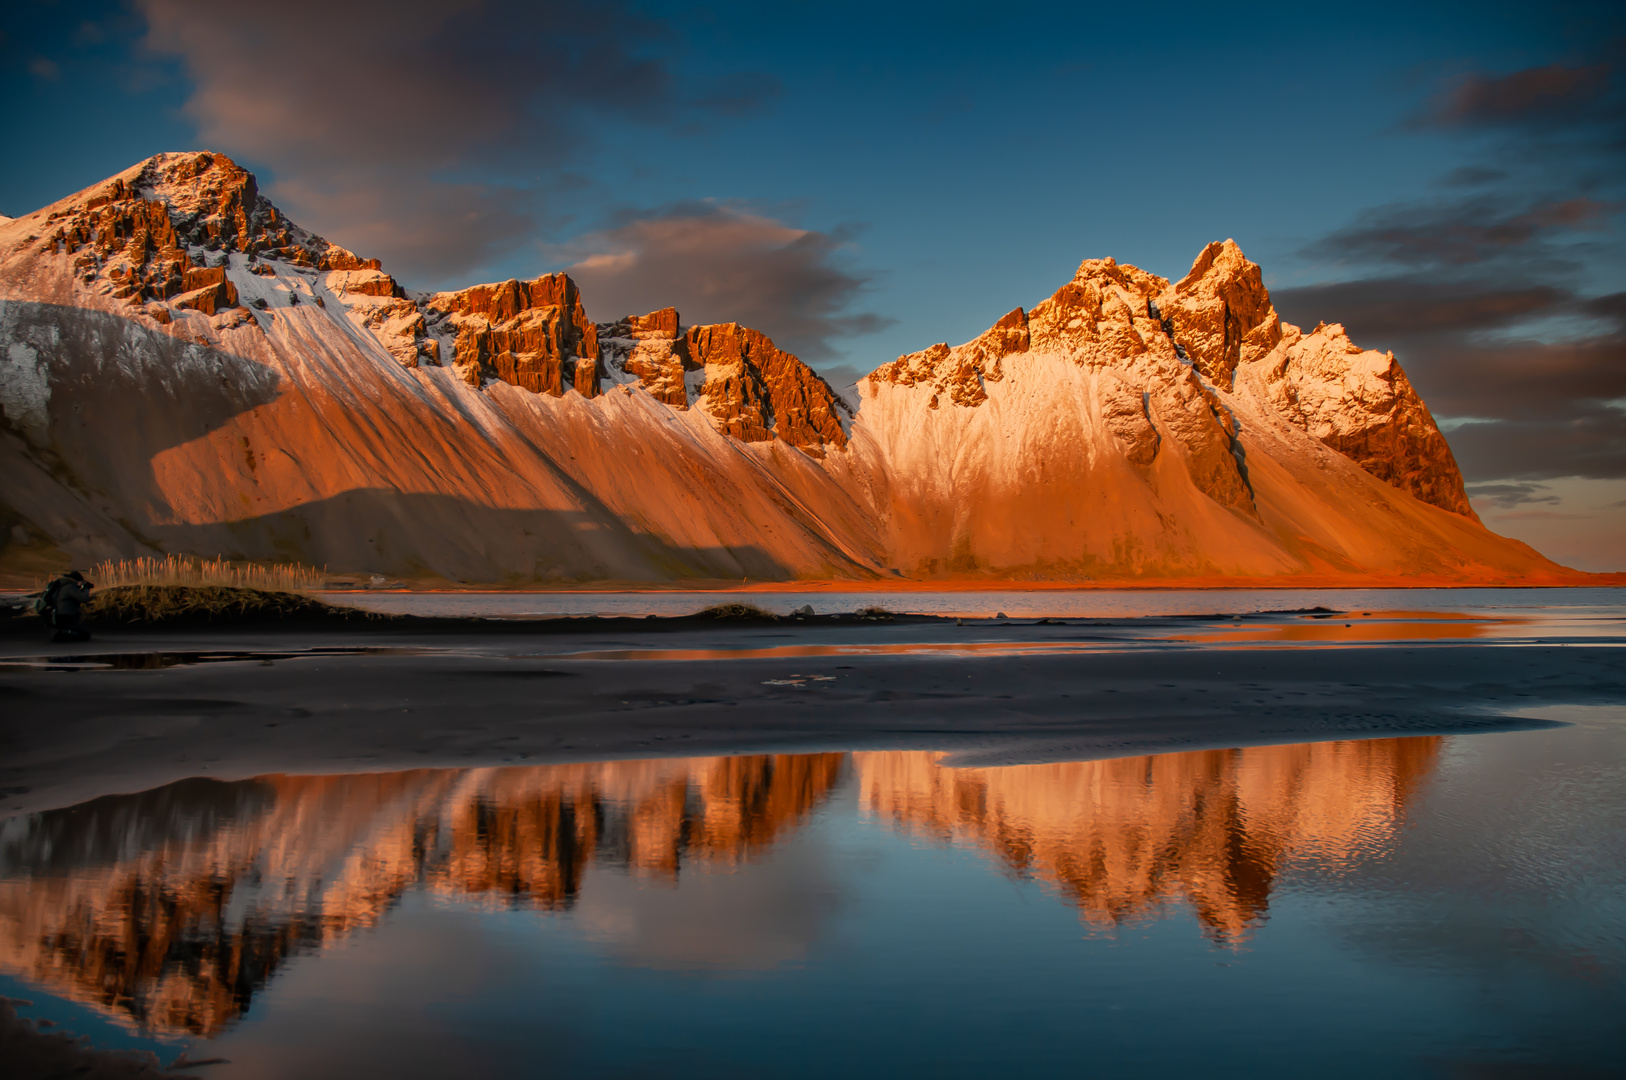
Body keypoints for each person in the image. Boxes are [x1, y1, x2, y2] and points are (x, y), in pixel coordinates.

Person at [46, 570, 93, 642]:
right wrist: (86, 588)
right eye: (81, 582)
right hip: (65, 617)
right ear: (77, 580)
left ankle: (62, 634)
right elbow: (84, 598)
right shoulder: (70, 587)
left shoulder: (65, 586)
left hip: (61, 616)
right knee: (85, 634)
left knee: (81, 632)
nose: (81, 584)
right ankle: (60, 636)